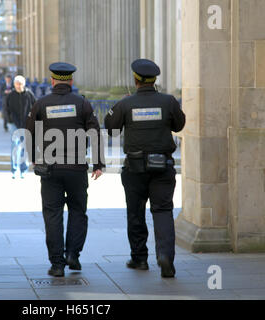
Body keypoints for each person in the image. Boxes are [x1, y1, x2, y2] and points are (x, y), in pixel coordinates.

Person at [104, 59, 186, 278]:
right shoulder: (168, 101)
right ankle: (166, 256)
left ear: (135, 80)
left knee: (136, 212)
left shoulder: (126, 103)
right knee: (163, 210)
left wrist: (120, 108)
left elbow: (110, 129)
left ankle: (140, 259)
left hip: (135, 168)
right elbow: (179, 125)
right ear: (154, 80)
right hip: (162, 166)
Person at [26, 62, 105, 277]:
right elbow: (95, 132)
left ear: (52, 81)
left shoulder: (41, 104)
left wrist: (34, 159)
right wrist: (98, 163)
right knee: (78, 211)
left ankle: (57, 264)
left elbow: (29, 133)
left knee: (53, 214)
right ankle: (73, 255)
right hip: (76, 168)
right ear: (71, 81)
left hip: (50, 169)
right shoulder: (82, 104)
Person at [5, 75, 36, 179]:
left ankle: (23, 169)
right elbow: (6, 109)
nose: (18, 86)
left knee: (24, 147)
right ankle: (14, 170)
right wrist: (8, 121)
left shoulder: (29, 94)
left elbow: (35, 107)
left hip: (26, 124)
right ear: (14, 85)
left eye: (20, 84)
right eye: (16, 84)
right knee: (15, 146)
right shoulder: (10, 95)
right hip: (14, 124)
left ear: (24, 84)